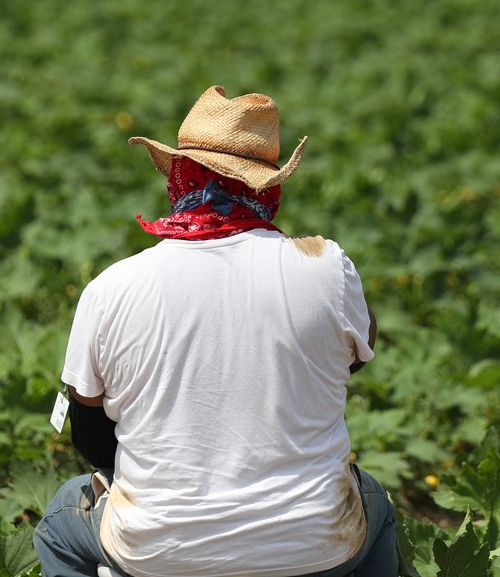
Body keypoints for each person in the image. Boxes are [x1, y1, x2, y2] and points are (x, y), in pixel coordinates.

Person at [34, 85, 400, 577]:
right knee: (374, 498)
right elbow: (358, 351)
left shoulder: (113, 287)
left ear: (179, 179)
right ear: (268, 188)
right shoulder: (326, 267)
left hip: (156, 551)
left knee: (60, 520)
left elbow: (90, 433)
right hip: (317, 546)